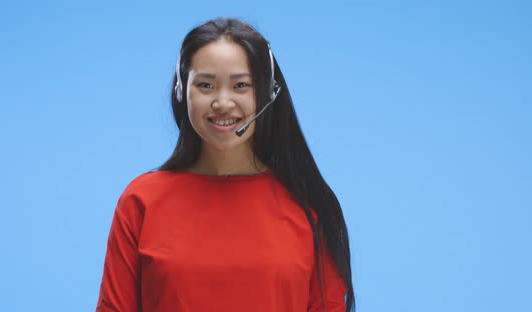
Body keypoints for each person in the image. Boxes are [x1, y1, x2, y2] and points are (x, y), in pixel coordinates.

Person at [96, 17, 355, 312]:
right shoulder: (141, 201)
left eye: (241, 85)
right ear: (182, 91)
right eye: (206, 85)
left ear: (269, 93)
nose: (222, 102)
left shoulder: (309, 204)